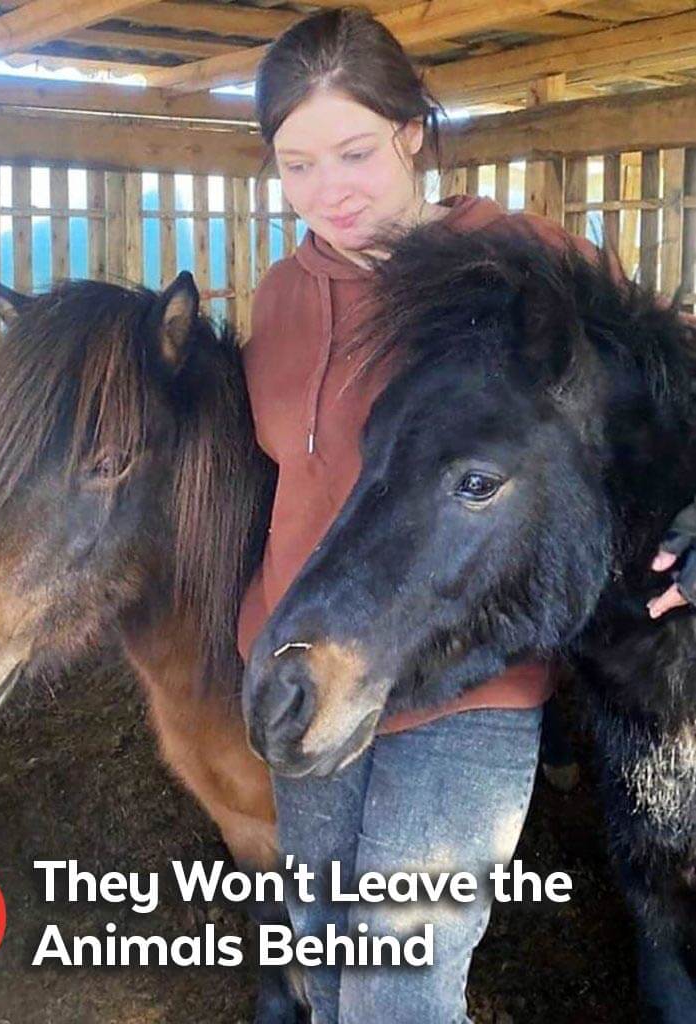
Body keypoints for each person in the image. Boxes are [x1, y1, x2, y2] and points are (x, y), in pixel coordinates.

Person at [233, 8, 693, 1021]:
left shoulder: (526, 263)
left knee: (398, 978)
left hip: (465, 691)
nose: (327, 192)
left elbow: (666, 382)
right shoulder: (279, 294)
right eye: (296, 164)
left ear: (411, 133)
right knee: (318, 943)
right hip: (303, 667)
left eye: (353, 151)